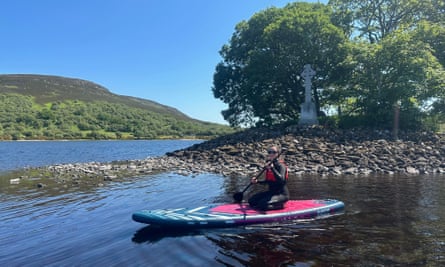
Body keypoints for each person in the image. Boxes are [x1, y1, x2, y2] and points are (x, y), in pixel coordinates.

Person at [248, 146, 289, 211]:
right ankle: (268, 204)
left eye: (274, 152)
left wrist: (272, 168)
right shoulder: (269, 165)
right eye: (270, 152)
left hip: (282, 194)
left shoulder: (281, 166)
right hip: (271, 193)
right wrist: (257, 181)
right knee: (251, 201)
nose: (271, 154)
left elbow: (281, 180)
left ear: (277, 154)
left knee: (262, 205)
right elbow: (268, 181)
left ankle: (281, 206)